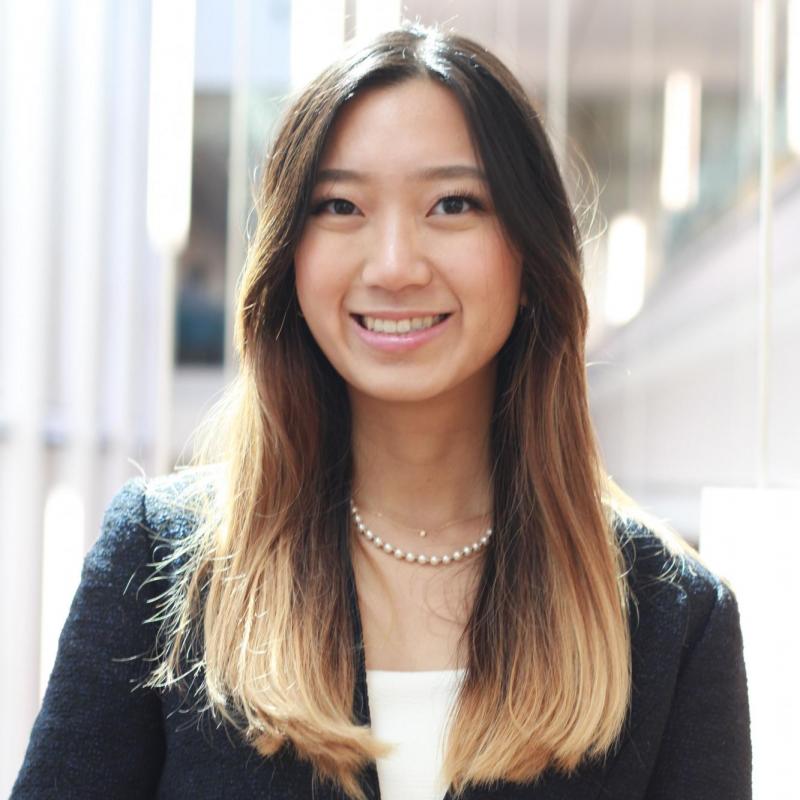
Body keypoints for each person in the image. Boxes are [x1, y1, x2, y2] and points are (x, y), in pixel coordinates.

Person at [12, 24, 751, 800]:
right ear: (288, 256)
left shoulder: (674, 619)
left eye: (453, 204)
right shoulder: (160, 565)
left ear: (531, 257)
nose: (394, 266)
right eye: (340, 206)